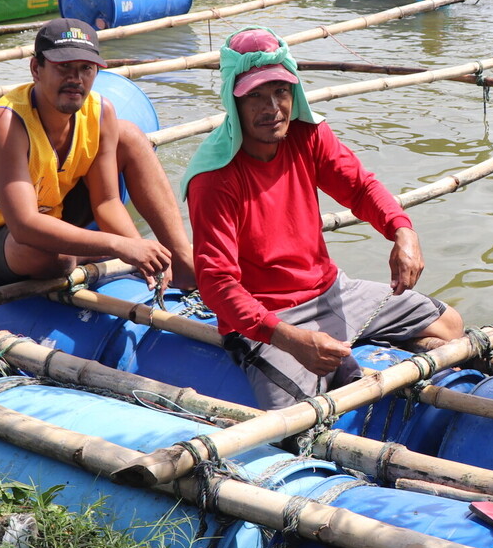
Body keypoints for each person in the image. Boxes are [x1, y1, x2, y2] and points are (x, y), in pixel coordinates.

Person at [184, 28, 465, 412]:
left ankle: (375, 359)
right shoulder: (215, 176)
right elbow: (217, 284)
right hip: (270, 317)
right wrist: (289, 339)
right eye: (255, 96)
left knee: (450, 325)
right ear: (233, 100)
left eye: (281, 92)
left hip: (332, 290)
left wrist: (403, 231)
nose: (272, 108)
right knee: (298, 423)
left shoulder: (307, 135)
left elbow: (361, 188)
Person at [0, 18, 195, 291]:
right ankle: (88, 251)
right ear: (37, 69)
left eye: (86, 68)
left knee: (130, 136)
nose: (76, 79)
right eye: (64, 68)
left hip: (52, 217)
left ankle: (183, 261)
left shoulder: (100, 111)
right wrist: (119, 245)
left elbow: (107, 202)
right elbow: (24, 225)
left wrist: (141, 253)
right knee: (51, 255)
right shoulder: (6, 123)